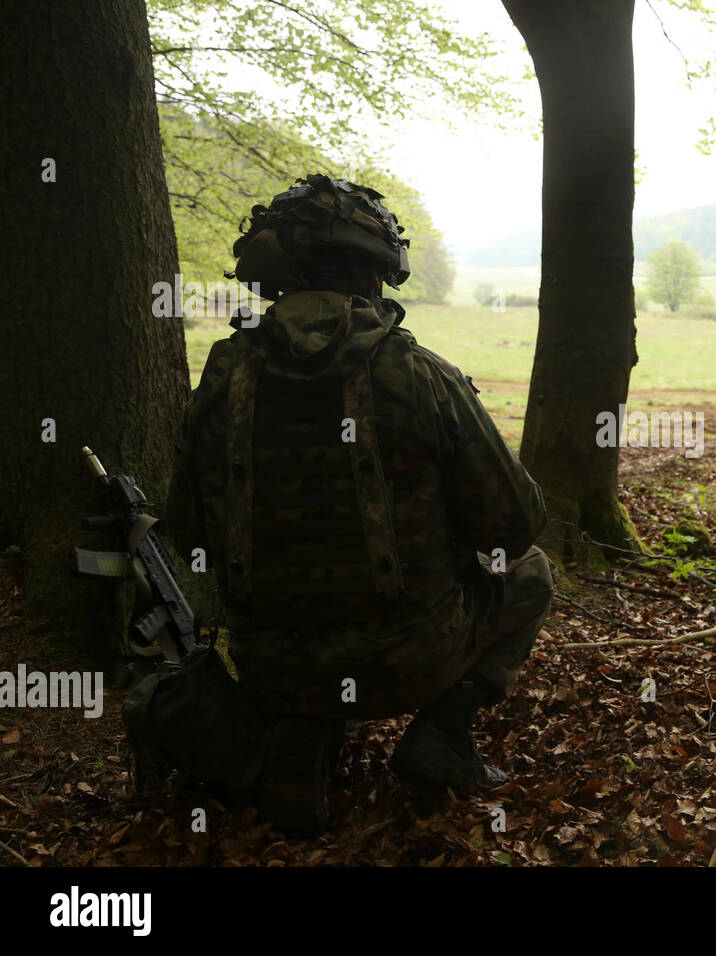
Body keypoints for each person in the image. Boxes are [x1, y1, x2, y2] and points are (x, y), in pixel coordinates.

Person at [124, 174, 553, 834]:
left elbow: (188, 533)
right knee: (532, 577)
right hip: (409, 662)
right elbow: (517, 528)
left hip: (271, 666)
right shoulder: (420, 375)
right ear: (375, 271)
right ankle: (441, 735)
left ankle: (301, 738)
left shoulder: (223, 378)